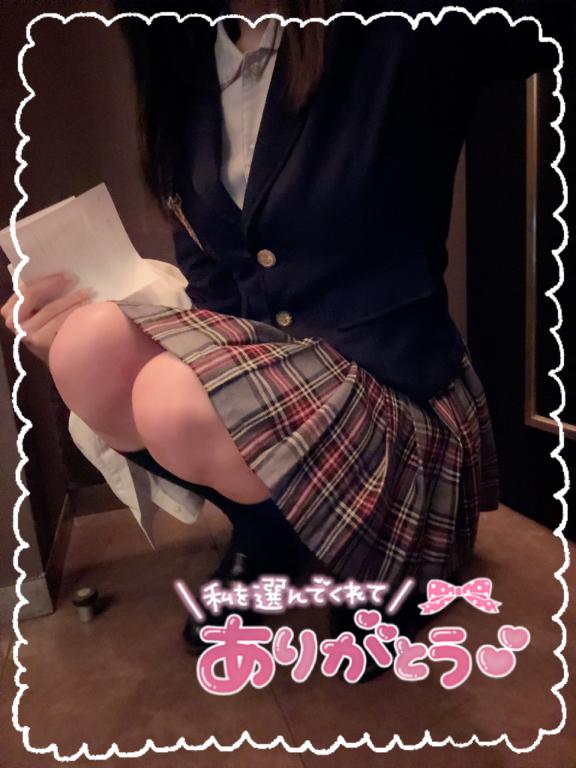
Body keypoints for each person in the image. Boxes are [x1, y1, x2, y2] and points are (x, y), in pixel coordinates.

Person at [1, 0, 566, 682]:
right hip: (286, 386)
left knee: (173, 400)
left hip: (397, 402)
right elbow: (214, 281)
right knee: (84, 348)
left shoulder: (398, 26)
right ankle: (268, 524)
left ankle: (391, 553)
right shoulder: (186, 57)